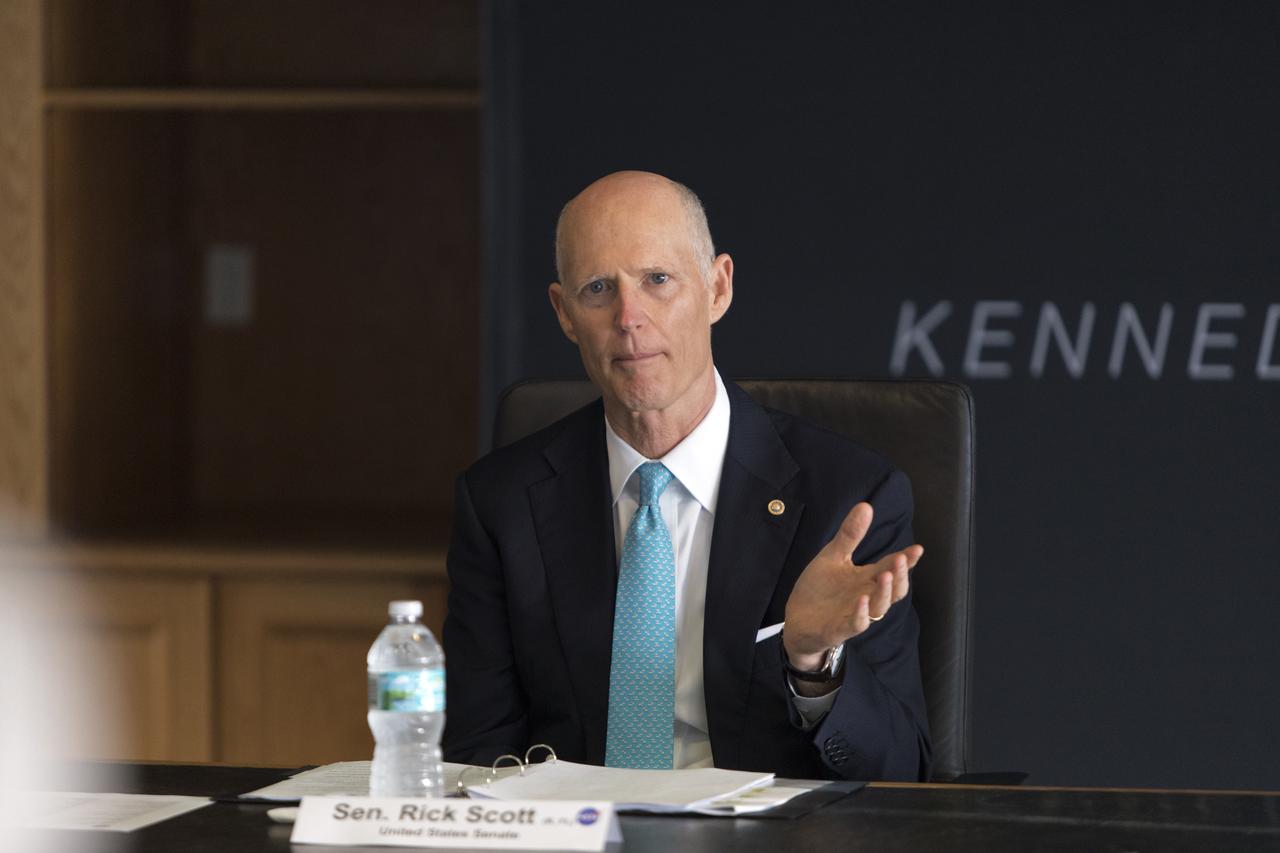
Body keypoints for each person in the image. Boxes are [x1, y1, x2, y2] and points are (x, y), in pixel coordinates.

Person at [442, 171, 930, 781]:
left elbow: (901, 774)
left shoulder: (848, 500)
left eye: (657, 280)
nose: (629, 317)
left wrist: (811, 662)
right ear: (564, 314)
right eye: (598, 288)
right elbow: (475, 749)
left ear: (717, 287)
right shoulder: (502, 503)